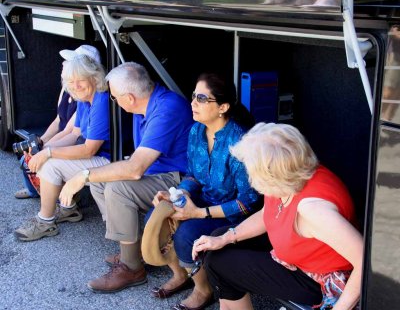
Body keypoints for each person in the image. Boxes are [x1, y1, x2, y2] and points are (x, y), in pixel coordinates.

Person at [193, 123, 363, 310]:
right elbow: (269, 213)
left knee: (220, 263)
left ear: (270, 174)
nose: (248, 176)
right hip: (298, 251)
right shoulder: (290, 175)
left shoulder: (314, 211)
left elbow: (364, 261)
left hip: (314, 279)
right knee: (218, 239)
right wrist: (226, 238)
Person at [58, 62, 194, 293]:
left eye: (114, 97)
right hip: (159, 173)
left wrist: (82, 175)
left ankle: (132, 268)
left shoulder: (166, 109)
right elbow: (138, 163)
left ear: (129, 98)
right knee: (101, 182)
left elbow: (135, 169)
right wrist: (93, 177)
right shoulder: (143, 106)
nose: (114, 101)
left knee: (118, 189)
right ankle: (133, 250)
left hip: (180, 179)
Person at [147, 73, 260, 310]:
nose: (193, 103)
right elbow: (192, 175)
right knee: (156, 216)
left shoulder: (240, 142)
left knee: (187, 233)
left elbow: (247, 202)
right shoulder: (196, 131)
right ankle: (181, 274)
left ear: (223, 107)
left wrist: (198, 213)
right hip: (203, 200)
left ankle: (203, 289)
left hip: (232, 214)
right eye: (193, 96)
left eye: (201, 98)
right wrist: (179, 194)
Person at [14, 47, 110, 242]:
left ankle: (45, 222)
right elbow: (75, 134)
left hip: (113, 160)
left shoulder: (101, 99)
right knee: (46, 159)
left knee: (50, 164)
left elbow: (89, 149)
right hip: (96, 156)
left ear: (94, 76)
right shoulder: (84, 99)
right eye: (71, 81)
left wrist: (49, 152)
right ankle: (67, 210)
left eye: (80, 80)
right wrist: (42, 149)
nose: (75, 86)